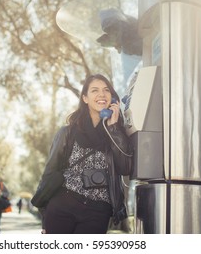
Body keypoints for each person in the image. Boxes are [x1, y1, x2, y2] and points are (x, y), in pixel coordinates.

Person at [32, 74, 132, 234]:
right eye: (95, 90)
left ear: (112, 98)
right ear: (85, 98)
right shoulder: (67, 133)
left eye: (106, 90)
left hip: (98, 211)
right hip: (63, 204)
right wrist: (45, 217)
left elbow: (126, 167)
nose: (101, 94)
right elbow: (49, 173)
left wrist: (114, 130)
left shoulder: (117, 133)